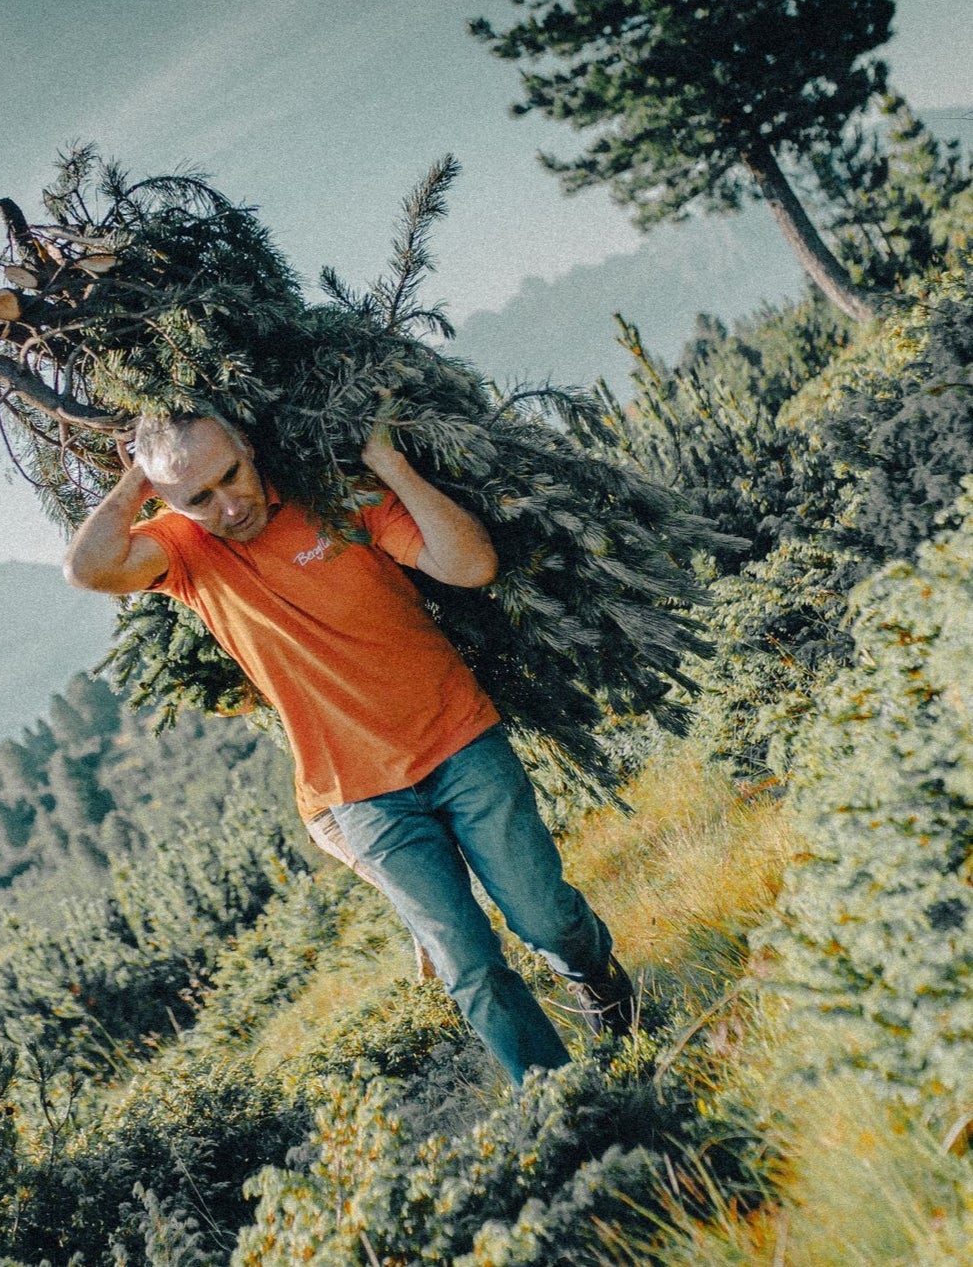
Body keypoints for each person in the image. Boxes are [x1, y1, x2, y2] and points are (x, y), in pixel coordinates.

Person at [63, 411, 633, 1083]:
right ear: (171, 503)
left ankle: (599, 981)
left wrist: (391, 467)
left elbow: (470, 565)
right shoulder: (184, 550)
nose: (228, 504)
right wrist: (142, 476)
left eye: (230, 475)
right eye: (199, 498)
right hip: (357, 794)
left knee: (545, 916)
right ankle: (563, 1098)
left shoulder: (332, 497)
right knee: (467, 962)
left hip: (457, 739)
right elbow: (87, 567)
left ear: (249, 447)